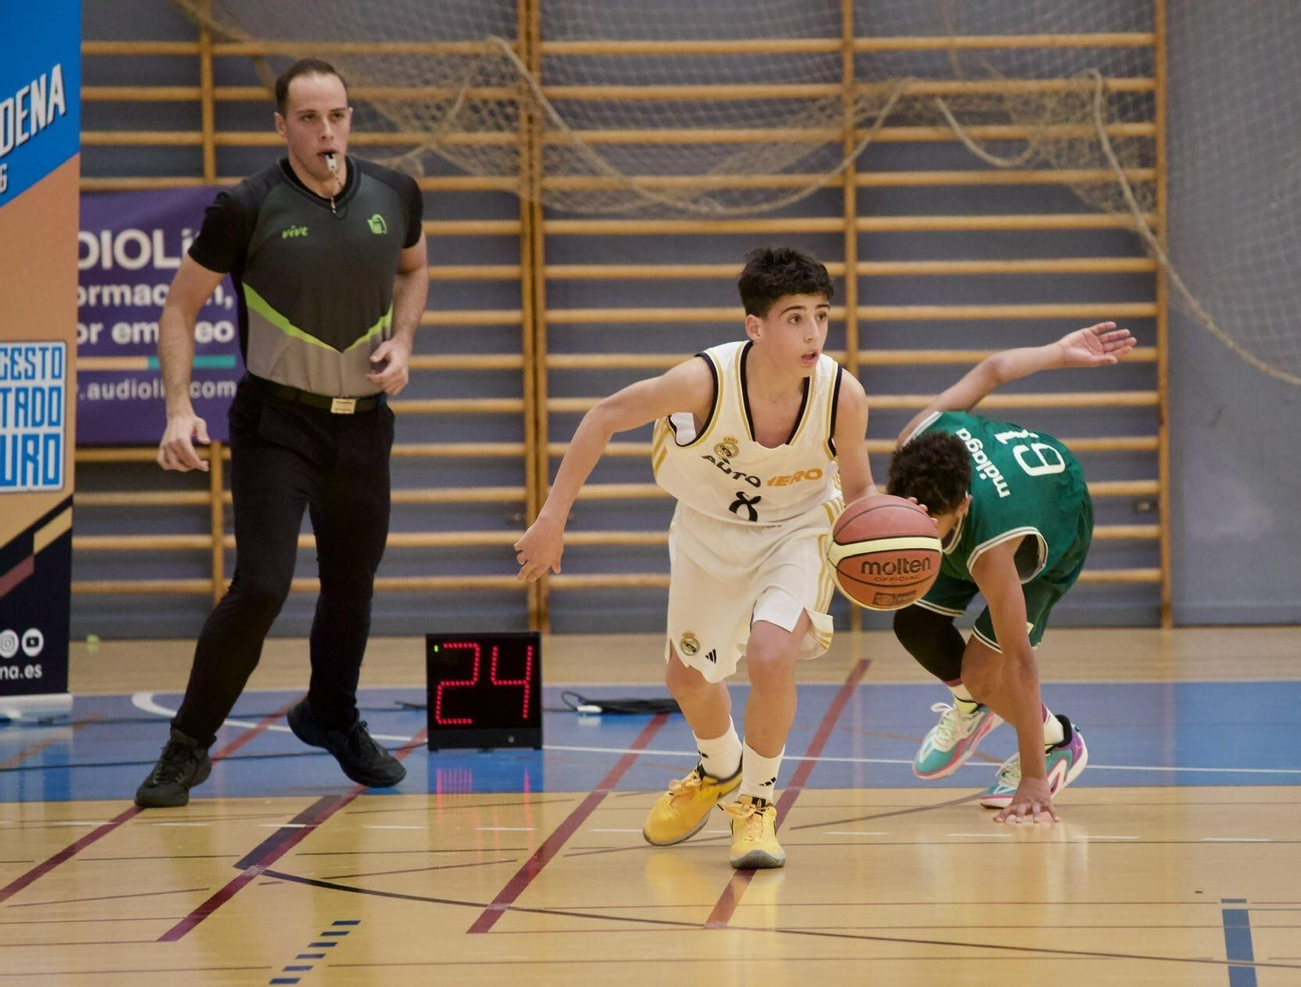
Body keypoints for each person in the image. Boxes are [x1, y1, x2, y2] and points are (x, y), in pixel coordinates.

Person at [515, 247, 874, 868]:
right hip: (707, 532)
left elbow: (862, 489)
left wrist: (880, 540)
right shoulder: (702, 383)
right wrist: (553, 518)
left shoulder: (842, 395)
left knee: (769, 654)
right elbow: (603, 418)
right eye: (794, 318)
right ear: (754, 326)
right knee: (686, 679)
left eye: (820, 315)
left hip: (797, 529)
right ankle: (720, 767)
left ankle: (758, 803)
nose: (813, 332)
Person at [134, 58, 429, 807]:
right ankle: (188, 745)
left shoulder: (395, 193)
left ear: (350, 117)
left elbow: (414, 271)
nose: (325, 131)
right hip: (276, 424)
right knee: (263, 583)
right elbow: (179, 308)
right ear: (281, 125)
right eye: (308, 118)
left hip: (363, 428)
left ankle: (330, 713)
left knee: (352, 586)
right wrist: (177, 406)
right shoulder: (246, 206)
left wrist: (405, 340)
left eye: (337, 115)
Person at [884, 322, 1135, 824]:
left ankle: (1059, 742)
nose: (918, 531)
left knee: (986, 671)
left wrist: (1032, 777)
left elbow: (1020, 663)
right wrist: (1057, 351)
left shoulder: (993, 548)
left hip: (1054, 524)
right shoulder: (916, 439)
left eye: (930, 524)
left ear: (962, 504)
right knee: (911, 621)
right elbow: (993, 369)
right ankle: (974, 708)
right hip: (993, 502)